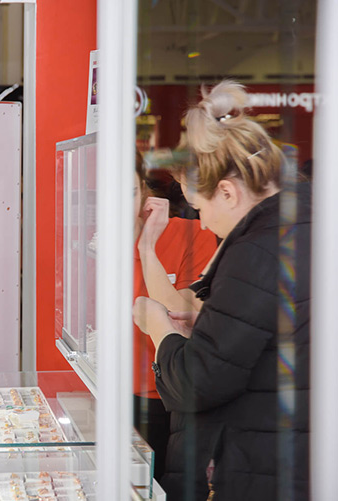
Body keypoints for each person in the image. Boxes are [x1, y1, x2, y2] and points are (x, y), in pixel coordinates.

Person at [133, 80, 310, 500]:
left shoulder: (257, 248)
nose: (203, 221)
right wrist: (210, 323)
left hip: (262, 464)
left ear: (228, 192)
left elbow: (199, 381)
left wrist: (161, 330)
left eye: (201, 206)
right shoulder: (300, 222)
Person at [132, 151, 218, 481]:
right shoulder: (98, 244)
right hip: (113, 391)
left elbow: (183, 316)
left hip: (168, 398)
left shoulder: (193, 233)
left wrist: (146, 248)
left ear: (144, 190)